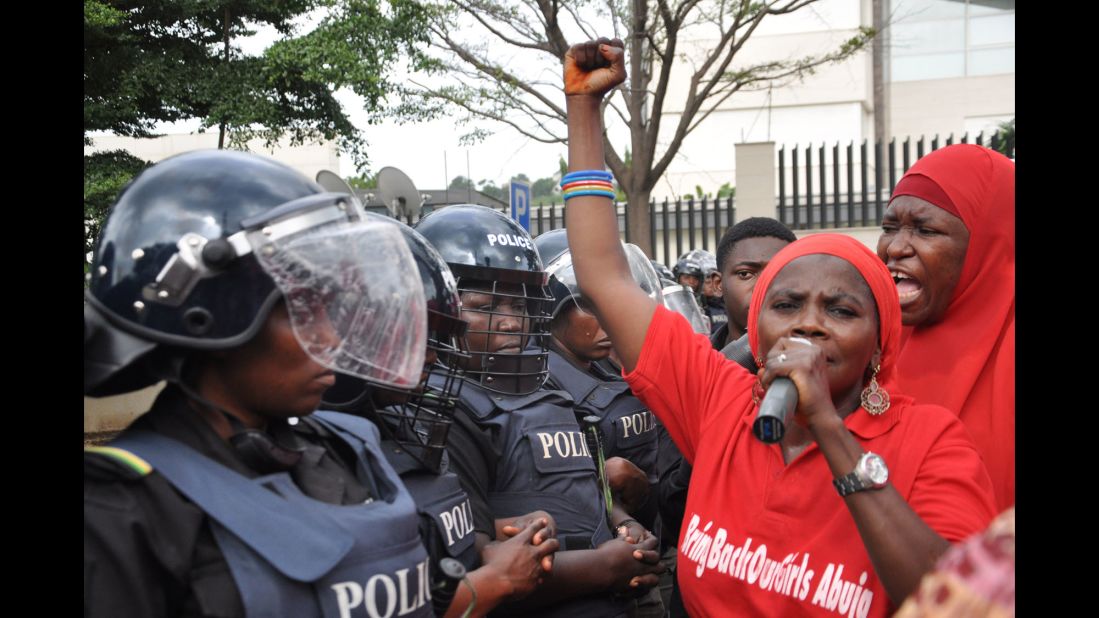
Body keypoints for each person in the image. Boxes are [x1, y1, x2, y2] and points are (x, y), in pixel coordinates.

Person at [560, 38, 998, 616]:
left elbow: (956, 603)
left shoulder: (931, 443)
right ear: (755, 328)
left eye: (841, 311)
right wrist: (583, 110)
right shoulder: (720, 402)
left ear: (879, 343)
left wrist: (831, 434)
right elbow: (604, 275)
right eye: (786, 305)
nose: (810, 325)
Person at [84, 150, 445, 617]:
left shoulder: (348, 449)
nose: (332, 339)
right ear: (210, 317)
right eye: (303, 309)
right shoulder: (122, 512)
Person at [414, 204, 664, 617]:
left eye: (519, 306)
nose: (511, 323)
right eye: (487, 305)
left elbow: (584, 487)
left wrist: (621, 523)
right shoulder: (443, 407)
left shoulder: (545, 384)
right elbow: (474, 561)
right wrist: (604, 567)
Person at [319, 216, 560, 617]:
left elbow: (439, 539)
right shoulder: (313, 460)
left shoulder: (403, 424)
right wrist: (492, 583)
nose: (431, 352)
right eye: (414, 331)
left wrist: (506, 532)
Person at [877, 144, 1015, 511]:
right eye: (890, 227)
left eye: (925, 230)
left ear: (989, 243)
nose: (896, 248)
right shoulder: (870, 342)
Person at [711, 218, 798, 350]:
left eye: (780, 273)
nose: (764, 288)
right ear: (718, 284)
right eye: (745, 274)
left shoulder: (827, 363)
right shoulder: (695, 362)